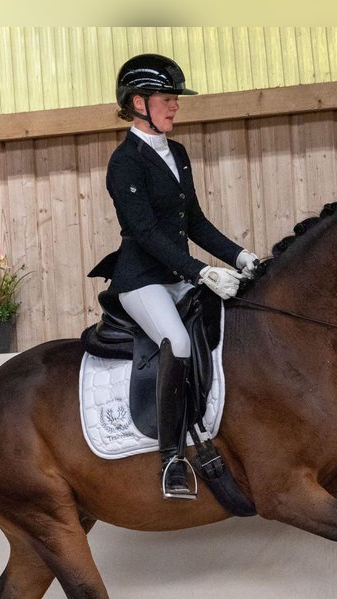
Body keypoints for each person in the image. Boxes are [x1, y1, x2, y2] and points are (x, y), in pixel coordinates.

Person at [90, 53, 261, 501]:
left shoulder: (177, 152)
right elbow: (144, 232)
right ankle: (171, 459)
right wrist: (202, 272)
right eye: (167, 99)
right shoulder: (124, 162)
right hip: (141, 280)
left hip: (178, 274)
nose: (175, 106)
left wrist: (240, 257)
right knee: (179, 344)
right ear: (138, 102)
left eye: (174, 99)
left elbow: (195, 223)